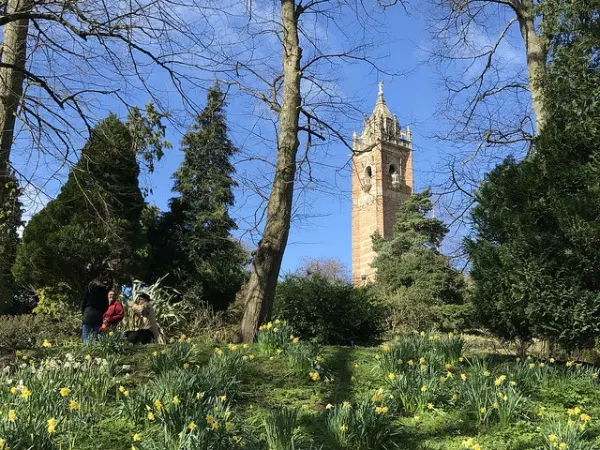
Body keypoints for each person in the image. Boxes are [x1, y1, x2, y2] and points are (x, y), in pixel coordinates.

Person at [81, 278, 109, 344]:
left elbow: (83, 303)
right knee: (97, 336)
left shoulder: (88, 289)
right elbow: (106, 305)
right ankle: (96, 350)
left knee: (86, 335)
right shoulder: (104, 291)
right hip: (98, 314)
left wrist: (83, 312)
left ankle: (86, 349)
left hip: (88, 314)